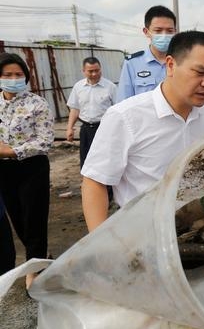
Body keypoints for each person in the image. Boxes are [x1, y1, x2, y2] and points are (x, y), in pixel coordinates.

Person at [81, 31, 204, 232]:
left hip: (193, 231)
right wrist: (101, 247)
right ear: (171, 65)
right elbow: (95, 182)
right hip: (141, 234)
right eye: (200, 72)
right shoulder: (125, 116)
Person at [0, 52, 54, 288]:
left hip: (32, 168)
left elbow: (45, 141)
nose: (14, 78)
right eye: (7, 75)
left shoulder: (37, 104)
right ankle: (39, 257)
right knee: (18, 220)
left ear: (26, 76)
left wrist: (10, 151)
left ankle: (34, 269)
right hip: (4, 171)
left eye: (18, 74)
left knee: (34, 220)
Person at [116, 5, 177, 102]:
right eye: (158, 30)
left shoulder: (182, 61)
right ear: (146, 32)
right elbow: (123, 101)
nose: (164, 35)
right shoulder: (132, 63)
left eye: (170, 31)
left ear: (175, 32)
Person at [66, 57, 117, 167]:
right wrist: (70, 128)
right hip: (86, 129)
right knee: (87, 161)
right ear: (83, 71)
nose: (94, 74)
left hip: (104, 128)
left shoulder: (111, 87)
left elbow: (117, 109)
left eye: (97, 70)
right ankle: (88, 183)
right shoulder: (78, 87)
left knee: (105, 160)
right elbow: (74, 109)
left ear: (101, 69)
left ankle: (106, 184)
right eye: (90, 71)